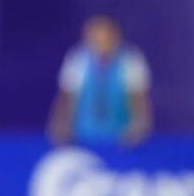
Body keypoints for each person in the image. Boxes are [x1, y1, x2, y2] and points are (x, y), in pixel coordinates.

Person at [48, 16, 152, 145]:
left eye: (106, 40)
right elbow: (66, 99)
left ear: (116, 38)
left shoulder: (131, 61)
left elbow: (138, 101)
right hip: (82, 138)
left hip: (121, 140)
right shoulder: (78, 60)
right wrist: (60, 127)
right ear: (88, 39)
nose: (102, 46)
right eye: (96, 40)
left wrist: (138, 129)